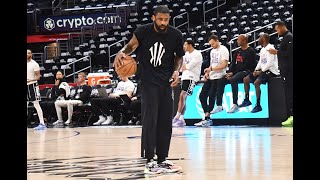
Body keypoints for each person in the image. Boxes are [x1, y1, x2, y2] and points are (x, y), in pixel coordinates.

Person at [113, 5, 184, 174]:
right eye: (160, 19)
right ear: (153, 17)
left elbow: (179, 57)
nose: (163, 23)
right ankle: (150, 160)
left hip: (165, 82)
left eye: (166, 20)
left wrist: (176, 71)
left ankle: (163, 159)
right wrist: (121, 52)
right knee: (150, 119)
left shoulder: (175, 35)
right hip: (148, 81)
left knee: (165, 121)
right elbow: (131, 46)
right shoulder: (143, 31)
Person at [194, 34, 229, 127]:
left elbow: (224, 65)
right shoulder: (212, 51)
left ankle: (207, 118)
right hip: (211, 76)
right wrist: (207, 72)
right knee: (202, 96)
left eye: (213, 44)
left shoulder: (224, 50)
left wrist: (212, 69)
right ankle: (206, 115)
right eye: (210, 44)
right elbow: (212, 64)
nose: (212, 46)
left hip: (219, 76)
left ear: (217, 40)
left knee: (211, 95)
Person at [239, 33, 280, 112]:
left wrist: (260, 71)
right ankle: (247, 100)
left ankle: (258, 105)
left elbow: (270, 63)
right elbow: (261, 62)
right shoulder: (262, 49)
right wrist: (256, 70)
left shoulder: (270, 48)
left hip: (271, 71)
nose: (258, 39)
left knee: (256, 82)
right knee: (246, 79)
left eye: (259, 38)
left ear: (264, 39)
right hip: (263, 70)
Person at [268, 21, 293, 127]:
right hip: (284, 70)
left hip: (289, 70)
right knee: (287, 94)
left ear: (283, 27)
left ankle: (291, 116)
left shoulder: (289, 37)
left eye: (277, 28)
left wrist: (277, 52)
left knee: (290, 93)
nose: (276, 31)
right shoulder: (282, 38)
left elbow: (290, 53)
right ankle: (289, 116)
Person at [172, 39, 203, 127]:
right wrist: (183, 67)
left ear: (190, 45)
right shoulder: (185, 54)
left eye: (185, 45)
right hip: (185, 77)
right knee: (183, 98)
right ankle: (181, 119)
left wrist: (184, 67)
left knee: (182, 95)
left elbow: (189, 66)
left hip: (192, 77)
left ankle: (177, 117)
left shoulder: (197, 54)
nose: (184, 47)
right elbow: (182, 67)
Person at [226, 34, 256, 113]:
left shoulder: (251, 51)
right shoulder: (237, 51)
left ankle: (235, 104)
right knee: (222, 79)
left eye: (239, 39)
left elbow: (247, 66)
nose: (237, 41)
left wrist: (233, 73)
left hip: (247, 71)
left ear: (244, 41)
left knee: (233, 79)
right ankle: (219, 105)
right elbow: (233, 63)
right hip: (238, 72)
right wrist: (230, 72)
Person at [27, 49, 46, 130]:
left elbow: (38, 76)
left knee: (36, 104)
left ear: (31, 54)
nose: (28, 54)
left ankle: (42, 123)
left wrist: (30, 80)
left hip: (32, 85)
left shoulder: (34, 64)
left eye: (29, 53)